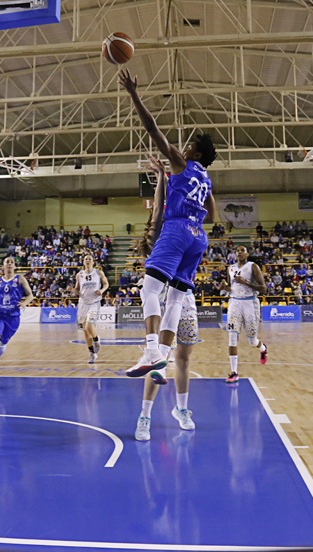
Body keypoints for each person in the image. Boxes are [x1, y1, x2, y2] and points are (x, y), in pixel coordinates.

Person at [119, 68, 217, 378]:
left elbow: (152, 129)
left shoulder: (183, 163)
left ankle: (150, 350)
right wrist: (167, 180)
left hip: (177, 230)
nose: (184, 148)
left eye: (189, 147)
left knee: (149, 290)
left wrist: (134, 94)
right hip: (198, 236)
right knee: (175, 297)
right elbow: (213, 215)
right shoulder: (206, 180)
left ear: (195, 153)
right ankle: (161, 359)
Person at [134, 156, 198, 441]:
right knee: (157, 360)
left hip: (185, 299)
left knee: (183, 358)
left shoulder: (189, 225)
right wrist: (161, 177)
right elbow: (158, 209)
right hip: (162, 301)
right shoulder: (162, 233)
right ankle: (145, 416)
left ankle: (181, 409)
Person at [220, 245, 269, 384]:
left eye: (242, 251)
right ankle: (234, 372)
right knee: (232, 337)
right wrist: (224, 288)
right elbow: (232, 288)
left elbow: (263, 288)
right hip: (234, 303)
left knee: (252, 340)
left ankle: (263, 348)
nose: (239, 253)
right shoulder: (231, 268)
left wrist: (246, 282)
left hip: (250, 303)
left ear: (247, 254)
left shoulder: (253, 267)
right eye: (237, 251)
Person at [0, 256, 34, 384]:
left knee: (1, 345)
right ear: (3, 266)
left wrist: (24, 303)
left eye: (12, 262)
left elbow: (31, 295)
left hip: (12, 317)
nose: (10, 264)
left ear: (15, 266)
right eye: (7, 262)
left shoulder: (20, 279)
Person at [72, 253, 108, 363]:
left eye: (89, 259)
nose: (87, 260)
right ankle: (92, 353)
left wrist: (101, 291)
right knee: (85, 331)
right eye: (85, 259)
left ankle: (96, 339)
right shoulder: (79, 274)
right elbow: (77, 290)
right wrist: (72, 290)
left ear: (93, 262)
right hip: (83, 303)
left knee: (89, 326)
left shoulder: (98, 272)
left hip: (94, 302)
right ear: (83, 262)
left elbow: (106, 284)